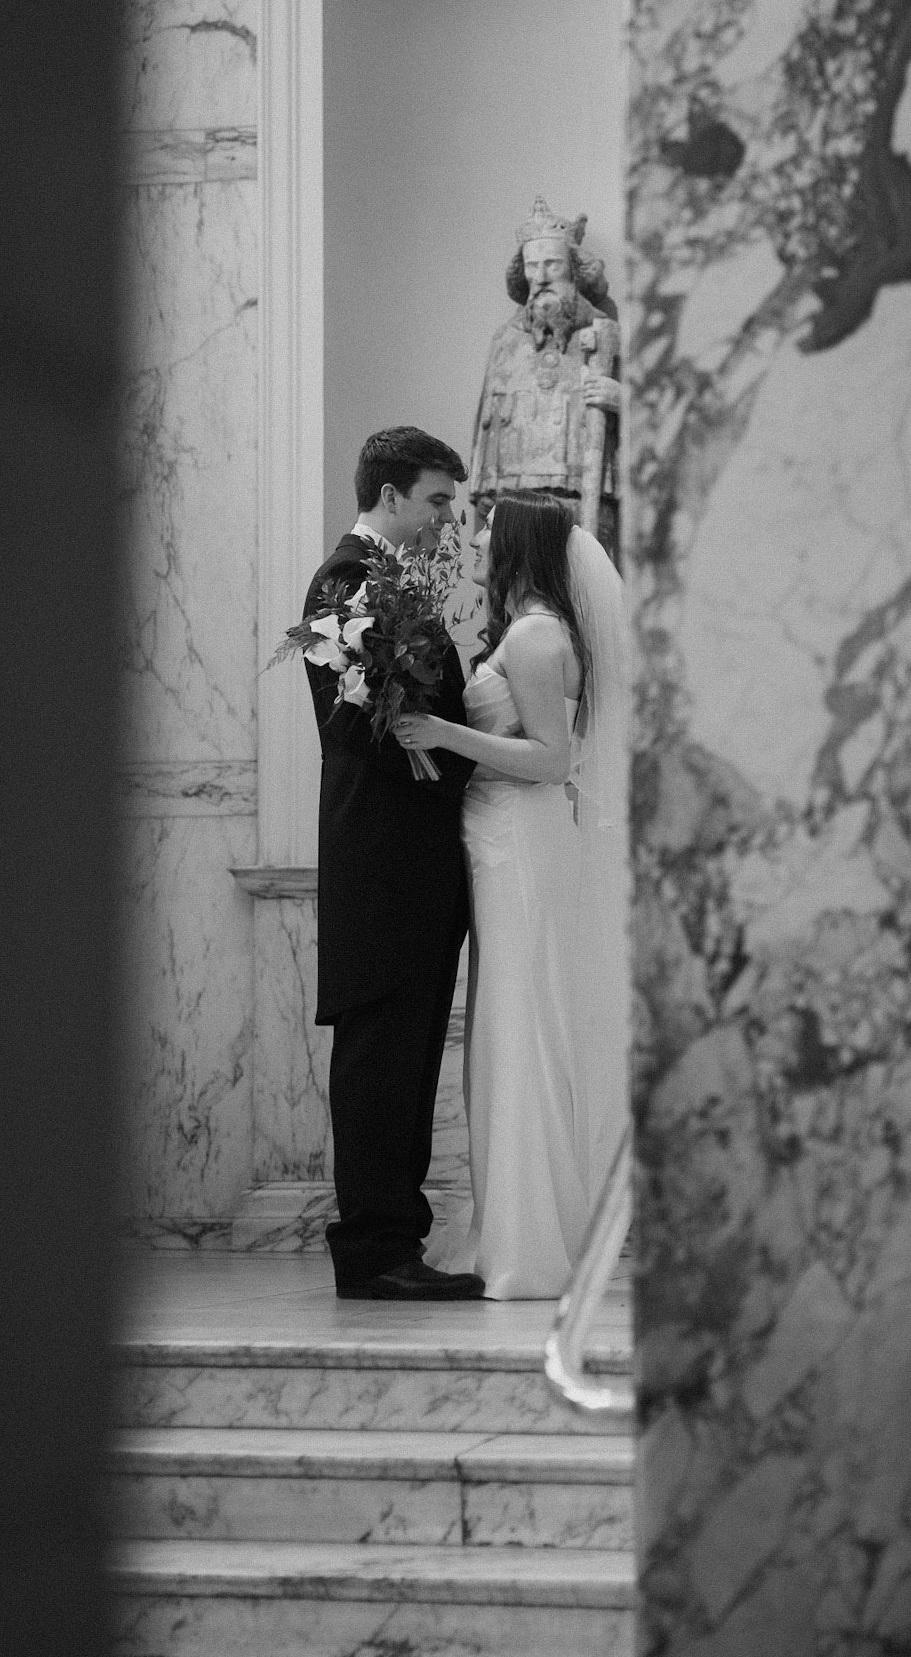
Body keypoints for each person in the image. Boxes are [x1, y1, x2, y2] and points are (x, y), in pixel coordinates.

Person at [394, 489, 629, 1299]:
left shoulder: (534, 637)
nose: (482, 546)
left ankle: (529, 1249)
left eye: (492, 534)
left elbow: (548, 759)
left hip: (520, 846)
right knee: (509, 1025)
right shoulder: (533, 629)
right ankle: (525, 1229)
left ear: (521, 546)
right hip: (501, 843)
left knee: (519, 1028)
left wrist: (442, 735)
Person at [304, 427, 485, 1301]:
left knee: (406, 1058)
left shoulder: (390, 580)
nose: (445, 519)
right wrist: (446, 742)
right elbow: (352, 727)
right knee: (380, 1059)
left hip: (409, 863)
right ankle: (374, 1251)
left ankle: (395, 1239)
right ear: (389, 498)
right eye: (437, 500)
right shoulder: (346, 580)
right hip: (380, 862)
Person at [468, 198, 622, 565]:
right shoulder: (505, 341)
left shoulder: (604, 335)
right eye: (532, 266)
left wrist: (619, 397)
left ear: (575, 269)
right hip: (509, 502)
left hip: (582, 499)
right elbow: (485, 433)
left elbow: (658, 416)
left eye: (551, 264)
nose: (540, 277)